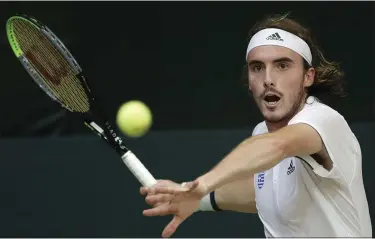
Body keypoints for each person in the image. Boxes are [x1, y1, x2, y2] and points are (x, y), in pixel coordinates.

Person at [140, 13, 372, 238]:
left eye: (282, 65)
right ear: (249, 81)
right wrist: (198, 198)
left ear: (308, 76)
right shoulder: (261, 132)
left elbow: (277, 146)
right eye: (257, 67)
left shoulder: (323, 121)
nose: (268, 79)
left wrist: (202, 184)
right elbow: (267, 193)